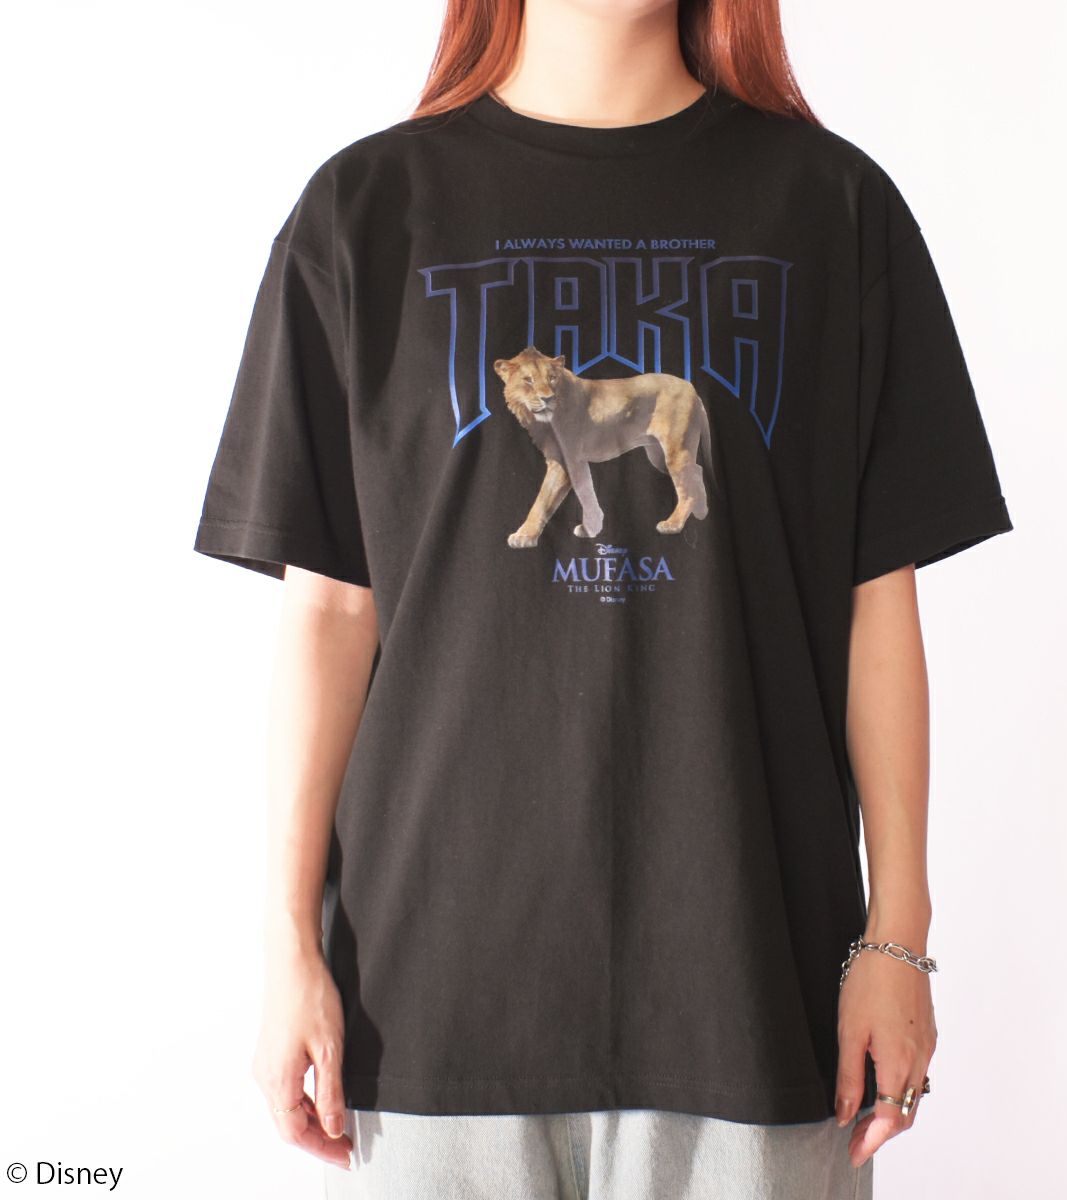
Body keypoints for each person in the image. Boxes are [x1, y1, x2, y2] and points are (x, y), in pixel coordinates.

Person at [192, 0, 1014, 1195]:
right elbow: (328, 612)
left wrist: (900, 937)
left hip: (752, 988)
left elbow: (875, 605)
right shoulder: (364, 211)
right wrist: (286, 946)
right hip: (428, 999)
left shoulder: (834, 209)